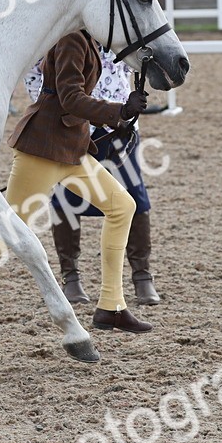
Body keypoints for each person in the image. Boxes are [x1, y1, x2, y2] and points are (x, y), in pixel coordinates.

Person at [0, 29, 153, 347]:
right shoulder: (71, 39)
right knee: (3, 234)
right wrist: (118, 110)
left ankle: (111, 305)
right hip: (44, 147)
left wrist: (120, 116)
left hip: (69, 147)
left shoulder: (87, 38)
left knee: (122, 206)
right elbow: (70, 98)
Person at [32, 48, 161, 306]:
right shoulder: (62, 36)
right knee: (66, 199)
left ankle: (142, 275)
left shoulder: (117, 32)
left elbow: (138, 59)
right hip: (72, 127)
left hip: (121, 123)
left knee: (134, 196)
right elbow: (35, 73)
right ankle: (70, 276)